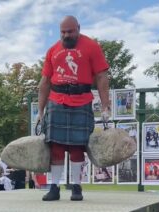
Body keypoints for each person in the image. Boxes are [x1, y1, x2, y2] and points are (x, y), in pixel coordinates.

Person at [38, 15, 110, 201]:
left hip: (82, 99)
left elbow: (102, 77)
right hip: (57, 99)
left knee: (78, 147)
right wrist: (40, 111)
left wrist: (105, 107)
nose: (66, 35)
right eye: (63, 32)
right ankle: (54, 187)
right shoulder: (52, 50)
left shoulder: (92, 46)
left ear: (78, 28)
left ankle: (76, 187)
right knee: (56, 148)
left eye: (70, 31)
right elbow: (45, 81)